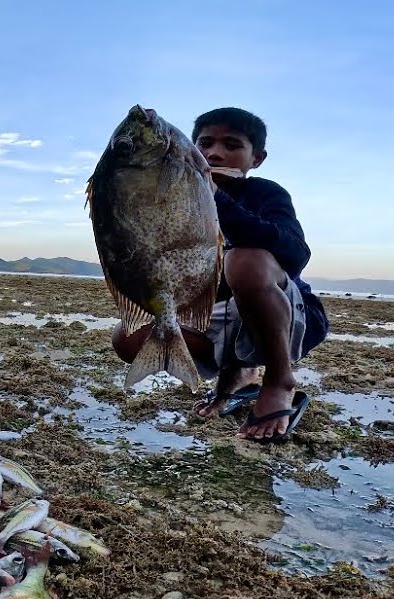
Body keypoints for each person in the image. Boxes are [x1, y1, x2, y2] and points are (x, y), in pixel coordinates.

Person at [112, 107, 329, 442]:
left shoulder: (266, 193)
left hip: (286, 317)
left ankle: (278, 380)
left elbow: (296, 255)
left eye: (232, 144)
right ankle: (235, 376)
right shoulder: (178, 194)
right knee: (127, 338)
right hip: (218, 318)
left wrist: (218, 200)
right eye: (205, 142)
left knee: (243, 262)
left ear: (257, 157)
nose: (215, 152)